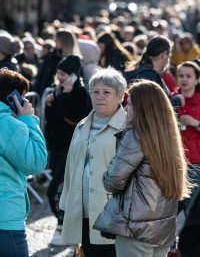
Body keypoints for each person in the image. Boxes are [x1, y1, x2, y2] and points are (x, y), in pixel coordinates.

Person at [94, 80, 192, 257]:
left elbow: (112, 182)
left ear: (141, 108)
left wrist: (105, 172)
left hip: (136, 229)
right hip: (162, 231)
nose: (125, 109)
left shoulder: (136, 135)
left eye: (129, 104)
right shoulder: (169, 136)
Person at [59, 66, 127, 257]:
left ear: (120, 96)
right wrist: (66, 201)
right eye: (95, 92)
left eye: (107, 92)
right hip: (84, 207)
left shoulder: (128, 126)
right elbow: (71, 166)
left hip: (113, 212)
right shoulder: (82, 125)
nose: (100, 96)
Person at [45, 55, 92, 246]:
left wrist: (65, 95)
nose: (60, 77)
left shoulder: (80, 93)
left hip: (72, 149)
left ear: (73, 75)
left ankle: (61, 225)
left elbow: (73, 117)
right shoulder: (58, 91)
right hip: (57, 148)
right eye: (58, 73)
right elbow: (53, 120)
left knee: (55, 189)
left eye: (64, 73)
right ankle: (66, 225)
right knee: (61, 189)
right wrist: (50, 103)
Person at [0, 67, 47, 257]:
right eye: (23, 96)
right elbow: (36, 162)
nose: (25, 101)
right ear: (13, 98)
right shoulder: (8, 125)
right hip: (6, 218)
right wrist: (29, 120)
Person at [124, 35, 183, 108]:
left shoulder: (141, 71)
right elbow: (153, 107)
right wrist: (177, 100)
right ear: (163, 55)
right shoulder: (149, 75)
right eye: (169, 56)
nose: (169, 60)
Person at [175, 61, 200, 212]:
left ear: (197, 79)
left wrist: (196, 123)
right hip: (173, 162)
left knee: (191, 211)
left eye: (188, 76)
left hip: (195, 164)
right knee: (168, 212)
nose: (184, 79)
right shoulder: (171, 98)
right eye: (181, 75)